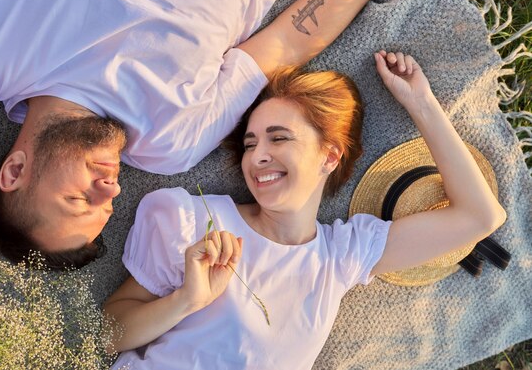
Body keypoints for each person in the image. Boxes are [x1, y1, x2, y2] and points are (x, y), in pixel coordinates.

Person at [0, 0, 413, 267]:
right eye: (107, 208)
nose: (112, 189)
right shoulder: (170, 142)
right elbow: (283, 45)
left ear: (16, 169)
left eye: (79, 200)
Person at [102, 51, 507, 369]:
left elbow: (479, 216)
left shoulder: (340, 257)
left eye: (278, 139)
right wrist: (187, 300)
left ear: (329, 156)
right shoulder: (193, 221)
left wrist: (421, 103)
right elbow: (104, 333)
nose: (257, 156)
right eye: (249, 143)